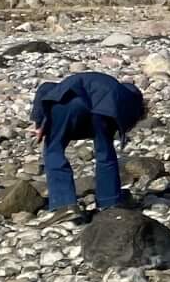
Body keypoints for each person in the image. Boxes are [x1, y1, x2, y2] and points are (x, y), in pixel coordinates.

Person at [29, 70, 146, 214]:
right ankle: (109, 202)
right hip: (104, 107)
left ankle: (64, 204)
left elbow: (45, 88)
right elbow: (130, 99)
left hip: (67, 104)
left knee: (54, 149)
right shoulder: (127, 92)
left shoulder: (63, 85)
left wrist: (39, 123)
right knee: (105, 152)